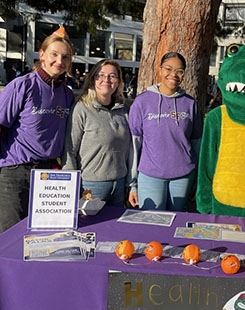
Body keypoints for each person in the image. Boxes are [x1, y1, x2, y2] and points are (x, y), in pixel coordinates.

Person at [0, 26, 75, 234]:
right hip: (15, 173)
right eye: (54, 54)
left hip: (48, 176)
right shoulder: (21, 86)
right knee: (9, 237)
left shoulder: (67, 95)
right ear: (42, 55)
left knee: (40, 237)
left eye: (66, 57)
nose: (59, 61)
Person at [128, 52, 202, 211]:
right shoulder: (142, 102)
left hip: (183, 176)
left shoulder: (190, 104)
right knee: (151, 224)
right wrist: (132, 184)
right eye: (168, 69)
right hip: (150, 176)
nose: (173, 75)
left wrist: (196, 180)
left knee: (176, 223)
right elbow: (134, 146)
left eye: (179, 71)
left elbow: (196, 144)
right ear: (160, 70)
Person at [61, 59, 135, 207]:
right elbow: (70, 150)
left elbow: (131, 149)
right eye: (100, 75)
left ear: (119, 81)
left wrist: (130, 183)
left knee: (115, 228)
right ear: (93, 79)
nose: (106, 80)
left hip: (119, 184)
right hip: (91, 184)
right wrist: (70, 187)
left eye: (112, 76)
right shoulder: (81, 109)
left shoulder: (124, 110)